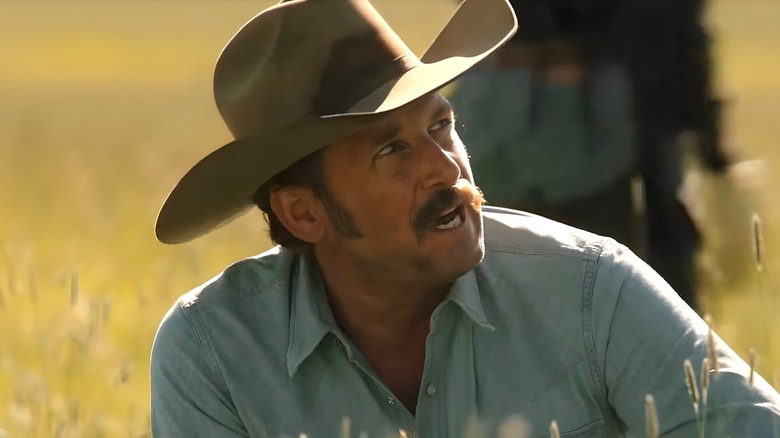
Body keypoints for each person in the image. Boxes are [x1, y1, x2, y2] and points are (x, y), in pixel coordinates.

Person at [149, 1, 780, 437]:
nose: (446, 168)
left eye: (442, 125)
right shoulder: (213, 352)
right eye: (391, 149)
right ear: (303, 212)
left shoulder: (592, 289)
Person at [449, 0, 730, 312]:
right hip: (613, 117)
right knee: (638, 301)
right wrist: (712, 148)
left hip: (494, 102)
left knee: (498, 294)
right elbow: (678, 29)